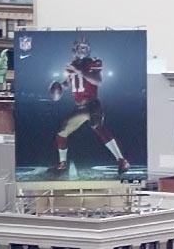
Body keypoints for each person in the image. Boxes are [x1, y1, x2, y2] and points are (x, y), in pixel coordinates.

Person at [50, 37, 130, 176]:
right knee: (61, 133)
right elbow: (70, 82)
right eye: (80, 47)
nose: (83, 50)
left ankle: (122, 160)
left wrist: (79, 71)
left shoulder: (93, 62)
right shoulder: (72, 65)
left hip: (92, 103)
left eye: (85, 47)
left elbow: (98, 81)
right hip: (79, 107)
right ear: (74, 50)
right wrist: (60, 86)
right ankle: (62, 163)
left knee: (97, 126)